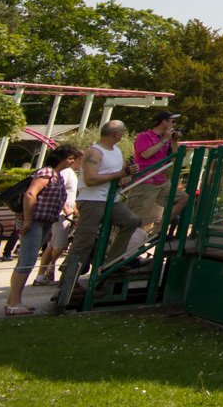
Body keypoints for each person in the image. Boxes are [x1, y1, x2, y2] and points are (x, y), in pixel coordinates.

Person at [55, 121, 142, 311]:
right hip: (92, 200)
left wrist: (124, 177)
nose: (123, 134)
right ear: (115, 133)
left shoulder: (116, 151)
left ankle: (112, 262)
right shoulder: (94, 152)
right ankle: (67, 282)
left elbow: (116, 175)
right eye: (122, 132)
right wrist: (120, 173)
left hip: (111, 199)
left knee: (131, 221)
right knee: (84, 241)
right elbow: (90, 179)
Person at [3, 144, 79, 316]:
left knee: (26, 261)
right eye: (71, 158)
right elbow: (30, 194)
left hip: (45, 222)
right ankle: (14, 304)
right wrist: (28, 220)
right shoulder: (46, 173)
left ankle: (12, 301)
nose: (72, 162)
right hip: (34, 222)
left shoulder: (57, 176)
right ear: (62, 158)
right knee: (27, 261)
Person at [124, 110, 188, 235]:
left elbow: (174, 158)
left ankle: (158, 231)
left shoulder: (168, 139)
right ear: (164, 122)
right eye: (173, 121)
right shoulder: (144, 136)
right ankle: (127, 244)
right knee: (138, 219)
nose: (175, 125)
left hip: (161, 181)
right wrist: (164, 140)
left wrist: (174, 141)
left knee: (183, 198)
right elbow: (145, 154)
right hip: (145, 180)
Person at [33, 145, 82, 286]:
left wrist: (74, 207)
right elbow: (58, 189)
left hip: (65, 212)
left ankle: (43, 275)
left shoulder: (70, 172)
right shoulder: (66, 172)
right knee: (59, 246)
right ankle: (48, 269)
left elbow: (67, 193)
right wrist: (65, 207)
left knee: (53, 245)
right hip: (61, 214)